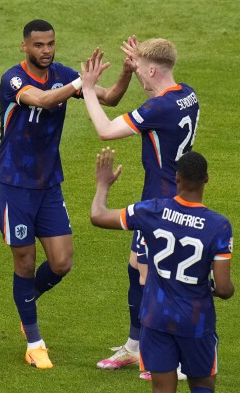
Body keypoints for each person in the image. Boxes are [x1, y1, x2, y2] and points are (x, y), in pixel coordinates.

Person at [0, 19, 133, 369]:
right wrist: (77, 85)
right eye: (39, 45)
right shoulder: (13, 78)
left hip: (48, 184)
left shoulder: (65, 75)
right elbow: (39, 99)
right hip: (12, 185)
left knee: (62, 262)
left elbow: (111, 98)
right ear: (24, 46)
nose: (46, 50)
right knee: (23, 261)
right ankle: (35, 342)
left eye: (51, 44)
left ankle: (26, 301)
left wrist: (128, 71)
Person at [82, 38, 200, 376]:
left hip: (161, 203)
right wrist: (139, 70)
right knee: (137, 267)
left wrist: (89, 89)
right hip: (166, 192)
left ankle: (172, 359)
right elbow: (156, 96)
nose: (138, 77)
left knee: (155, 278)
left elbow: (105, 130)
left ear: (152, 69)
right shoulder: (185, 95)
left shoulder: (158, 109)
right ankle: (135, 347)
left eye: (140, 71)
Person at [90, 147, 234, 393]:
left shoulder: (151, 211)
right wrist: (215, 288)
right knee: (203, 385)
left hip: (156, 318)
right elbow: (223, 288)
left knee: (162, 389)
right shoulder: (218, 226)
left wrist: (103, 184)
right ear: (206, 179)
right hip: (195, 321)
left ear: (177, 178)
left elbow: (98, 216)